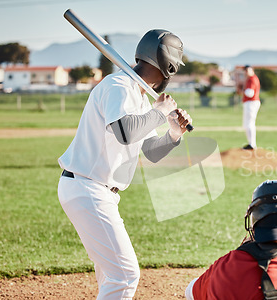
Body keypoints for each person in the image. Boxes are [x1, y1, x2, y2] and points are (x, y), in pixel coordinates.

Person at [57, 29, 191, 299]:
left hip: (96, 192)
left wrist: (173, 133)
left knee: (111, 274)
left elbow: (150, 151)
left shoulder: (139, 97)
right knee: (125, 275)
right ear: (169, 66)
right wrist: (160, 112)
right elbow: (125, 131)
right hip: (88, 189)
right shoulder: (118, 86)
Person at [241, 65, 261, 150]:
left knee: (249, 123)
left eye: (247, 70)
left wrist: (242, 90)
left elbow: (250, 93)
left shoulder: (252, 79)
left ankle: (252, 144)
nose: (246, 72)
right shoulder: (251, 79)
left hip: (251, 102)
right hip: (251, 102)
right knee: (247, 123)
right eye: (245, 70)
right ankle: (251, 143)